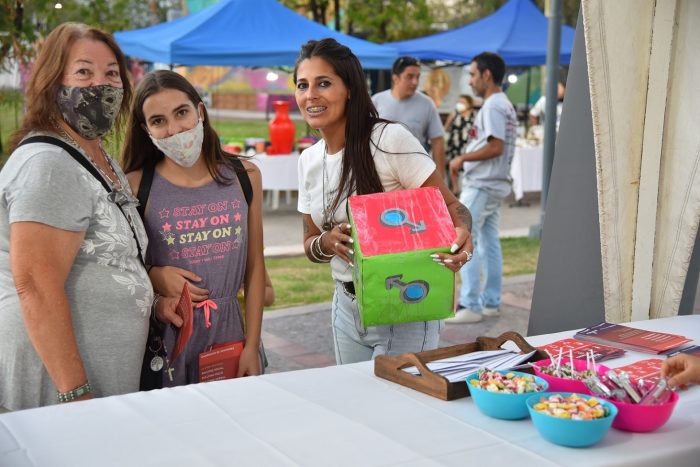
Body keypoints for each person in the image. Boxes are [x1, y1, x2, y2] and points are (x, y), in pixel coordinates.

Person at [0, 22, 152, 411]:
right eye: (83, 72)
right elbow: (35, 285)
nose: (100, 85)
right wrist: (74, 394)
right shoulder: (49, 163)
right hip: (61, 383)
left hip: (100, 376)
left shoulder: (95, 156)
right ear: (53, 82)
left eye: (111, 73)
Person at [294, 38, 473, 364]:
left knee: (405, 409)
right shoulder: (308, 160)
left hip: (406, 306)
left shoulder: (389, 140)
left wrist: (463, 237)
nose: (311, 95)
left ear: (349, 89)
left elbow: (453, 208)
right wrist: (328, 242)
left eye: (323, 83)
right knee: (356, 409)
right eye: (302, 85)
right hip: (346, 309)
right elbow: (308, 241)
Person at [121, 70, 265, 386]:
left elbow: (255, 269)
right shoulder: (135, 186)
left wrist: (252, 345)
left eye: (182, 113)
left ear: (199, 111)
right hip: (171, 340)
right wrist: (153, 275)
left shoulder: (245, 175)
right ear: (146, 130)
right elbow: (121, 268)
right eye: (159, 121)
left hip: (233, 336)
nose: (174, 130)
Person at [447, 52, 517, 324]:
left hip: (483, 184)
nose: (471, 81)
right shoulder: (503, 105)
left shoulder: (492, 106)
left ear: (486, 75)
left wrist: (462, 158)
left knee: (464, 237)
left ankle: (470, 304)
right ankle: (490, 302)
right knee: (489, 243)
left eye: (473, 74)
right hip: (492, 183)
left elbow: (495, 146)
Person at [372, 56, 446, 178]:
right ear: (395, 78)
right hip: (381, 174)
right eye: (410, 77)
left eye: (417, 77)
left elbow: (437, 141)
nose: (415, 82)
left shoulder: (427, 104)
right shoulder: (376, 101)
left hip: (417, 174)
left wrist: (441, 178)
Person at [443, 94, 476, 194]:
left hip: (468, 146)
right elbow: (445, 128)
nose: (460, 104)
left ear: (469, 104)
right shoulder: (454, 114)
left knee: (467, 167)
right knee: (453, 166)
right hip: (455, 144)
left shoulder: (474, 115)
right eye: (459, 102)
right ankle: (455, 188)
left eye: (463, 102)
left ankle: (467, 187)